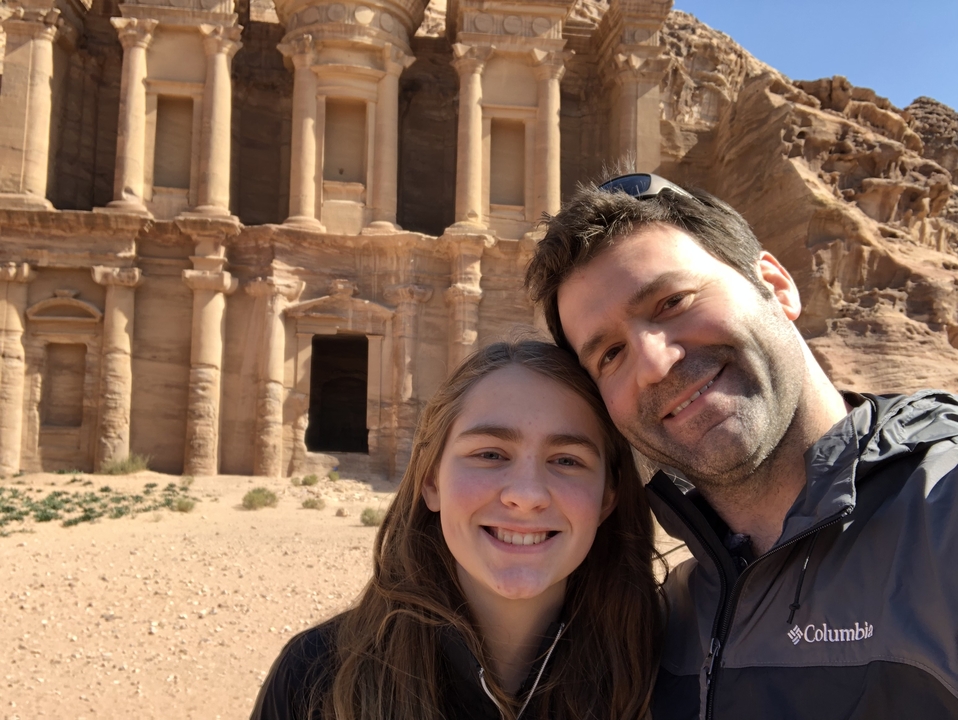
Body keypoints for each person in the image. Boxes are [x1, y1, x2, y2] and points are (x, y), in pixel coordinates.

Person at [525, 173, 958, 719]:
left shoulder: (943, 516)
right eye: (610, 354)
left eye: (672, 302)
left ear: (776, 286)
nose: (654, 363)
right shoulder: (664, 616)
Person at [250, 340, 663, 720]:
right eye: (490, 454)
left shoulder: (668, 672)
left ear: (608, 496)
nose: (527, 494)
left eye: (567, 460)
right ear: (431, 481)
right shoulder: (315, 676)